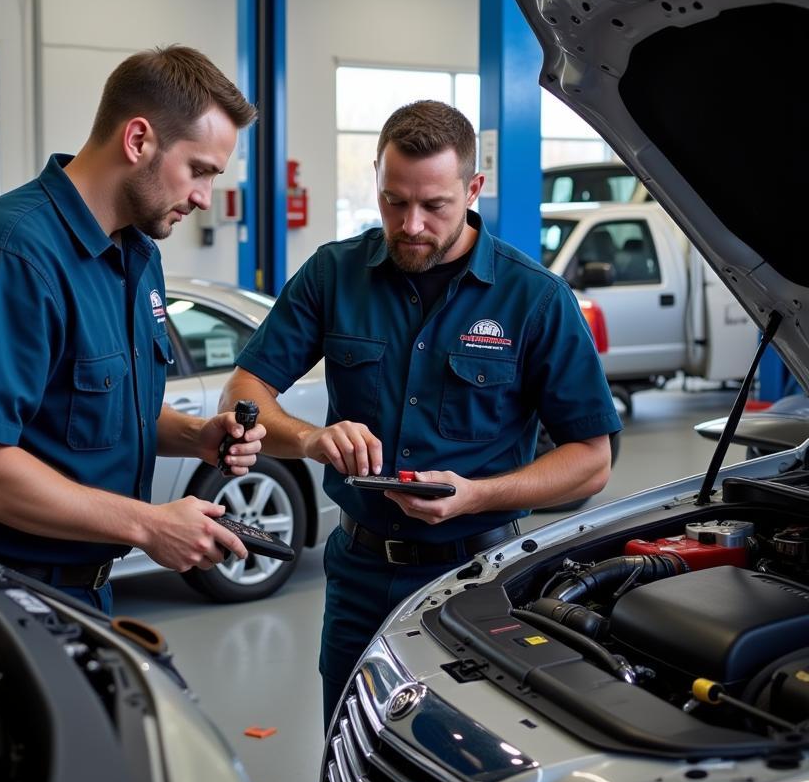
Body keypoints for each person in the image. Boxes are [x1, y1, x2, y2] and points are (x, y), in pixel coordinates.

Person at [220, 100, 622, 723]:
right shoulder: (333, 274)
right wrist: (312, 439)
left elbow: (591, 461)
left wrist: (476, 496)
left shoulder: (534, 299)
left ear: (474, 189)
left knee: (469, 753)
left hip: (481, 578)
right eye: (392, 201)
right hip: (359, 575)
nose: (409, 224)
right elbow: (243, 393)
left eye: (433, 206)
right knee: (350, 745)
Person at [0, 46, 262, 613]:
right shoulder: (13, 257)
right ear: (138, 140)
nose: (203, 198)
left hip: (79, 590)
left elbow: (89, 410)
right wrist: (148, 525)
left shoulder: (136, 255)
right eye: (199, 171)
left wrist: (194, 437)